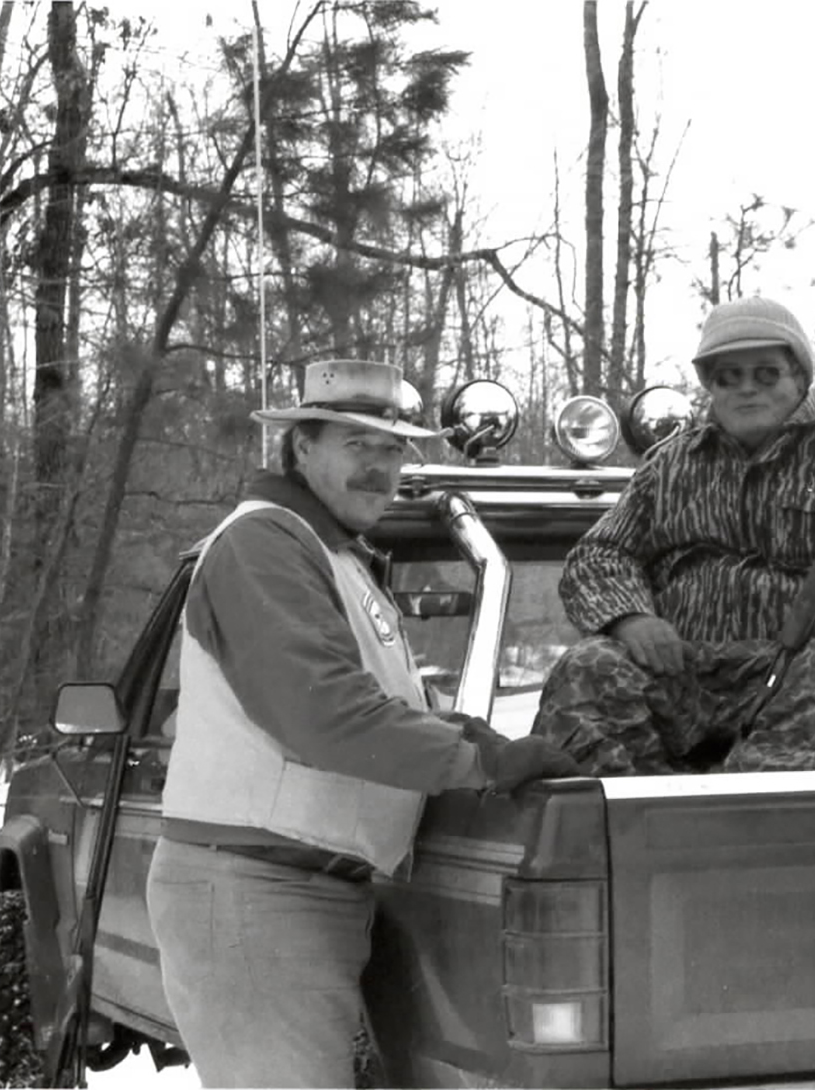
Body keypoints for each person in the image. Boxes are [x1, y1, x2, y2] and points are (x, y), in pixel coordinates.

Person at [145, 359, 579, 1088]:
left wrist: (477, 737)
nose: (381, 469)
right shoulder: (264, 545)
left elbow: (386, 706)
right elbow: (323, 714)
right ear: (301, 447)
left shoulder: (337, 558)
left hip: (306, 892)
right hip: (256, 891)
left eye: (393, 451)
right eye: (357, 444)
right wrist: (481, 764)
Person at [533, 296, 815, 774]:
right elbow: (598, 555)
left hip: (806, 679)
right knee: (588, 667)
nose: (747, 389)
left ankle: (760, 830)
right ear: (710, 385)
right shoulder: (668, 466)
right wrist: (628, 619)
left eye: (766, 374)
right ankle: (614, 827)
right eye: (730, 376)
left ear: (799, 379)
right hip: (682, 673)